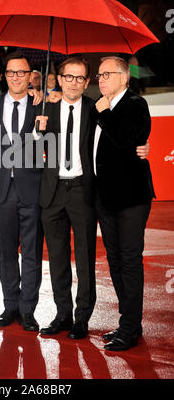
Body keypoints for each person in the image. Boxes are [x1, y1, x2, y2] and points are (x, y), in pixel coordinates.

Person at [35, 57, 149, 340]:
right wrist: (38, 134)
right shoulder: (44, 109)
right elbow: (31, 152)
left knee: (87, 258)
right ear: (59, 79)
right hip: (53, 192)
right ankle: (63, 314)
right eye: (68, 77)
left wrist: (144, 144)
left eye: (81, 78)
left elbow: (125, 135)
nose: (74, 82)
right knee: (58, 258)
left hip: (85, 192)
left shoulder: (96, 108)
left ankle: (82, 318)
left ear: (86, 83)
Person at [93, 56, 155, 351]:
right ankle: (129, 322)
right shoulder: (100, 105)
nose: (101, 79)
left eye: (107, 74)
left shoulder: (135, 104)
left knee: (129, 261)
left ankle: (129, 328)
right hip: (105, 199)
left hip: (131, 198)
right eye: (99, 74)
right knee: (115, 261)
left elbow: (128, 140)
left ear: (124, 77)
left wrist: (103, 114)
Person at [0, 52, 44, 332]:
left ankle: (27, 310)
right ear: (4, 75)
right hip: (1, 190)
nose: (16, 77)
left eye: (21, 72)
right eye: (11, 72)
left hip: (32, 189)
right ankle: (10, 306)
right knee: (5, 251)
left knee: (31, 252)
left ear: (31, 75)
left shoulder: (42, 105)